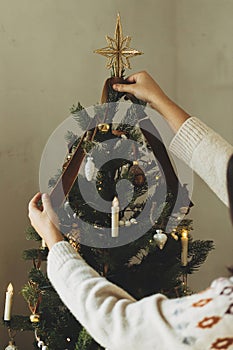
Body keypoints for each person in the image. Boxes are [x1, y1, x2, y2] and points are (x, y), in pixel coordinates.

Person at [28, 71, 233, 350]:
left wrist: (55, 241)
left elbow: (122, 326)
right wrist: (160, 101)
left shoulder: (223, 317)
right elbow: (224, 169)